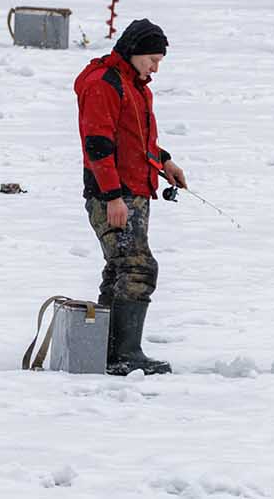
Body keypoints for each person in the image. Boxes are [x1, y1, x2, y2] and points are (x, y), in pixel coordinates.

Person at [75, 18, 187, 375]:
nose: (155, 68)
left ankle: (106, 350)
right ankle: (125, 354)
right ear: (134, 52)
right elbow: (98, 144)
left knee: (121, 268)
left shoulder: (135, 85)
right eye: (152, 60)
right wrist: (112, 196)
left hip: (134, 191)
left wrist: (163, 161)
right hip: (114, 194)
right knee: (137, 267)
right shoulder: (103, 84)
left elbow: (136, 139)